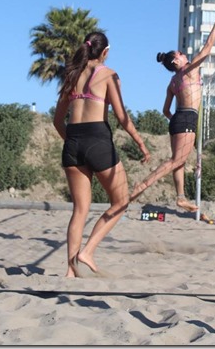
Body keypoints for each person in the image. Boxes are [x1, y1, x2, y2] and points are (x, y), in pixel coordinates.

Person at [53, 32, 150, 277]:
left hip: (73, 142)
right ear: (105, 52)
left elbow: (57, 121)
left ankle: (70, 271)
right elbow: (121, 117)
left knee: (79, 210)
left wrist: (74, 144)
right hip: (97, 139)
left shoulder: (71, 75)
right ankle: (88, 252)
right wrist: (140, 143)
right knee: (121, 202)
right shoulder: (108, 74)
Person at [130, 6, 215, 212]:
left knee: (180, 162)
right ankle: (142, 186)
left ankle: (181, 197)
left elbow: (165, 110)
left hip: (177, 119)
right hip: (186, 118)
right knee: (176, 160)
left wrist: (177, 119)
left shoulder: (173, 82)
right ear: (177, 60)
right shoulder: (188, 70)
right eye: (181, 54)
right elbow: (208, 48)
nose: (185, 55)